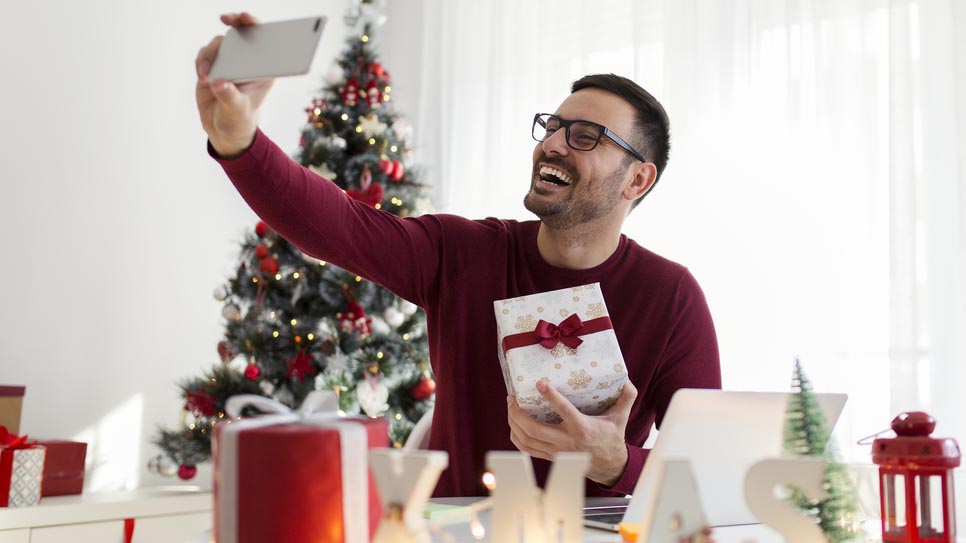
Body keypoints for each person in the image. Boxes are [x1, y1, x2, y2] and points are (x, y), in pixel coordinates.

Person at [196, 12, 721, 497]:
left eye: (585, 137)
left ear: (637, 179)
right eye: (552, 127)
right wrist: (239, 142)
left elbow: (706, 472)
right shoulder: (462, 253)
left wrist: (615, 463)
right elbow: (336, 226)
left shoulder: (672, 297)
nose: (553, 144)